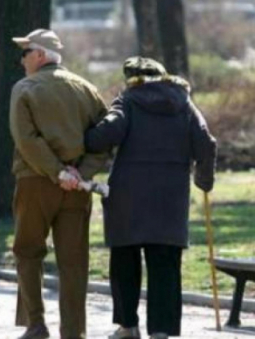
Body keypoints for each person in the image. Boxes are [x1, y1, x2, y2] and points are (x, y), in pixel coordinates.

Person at [84, 57, 217, 339]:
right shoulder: (184, 103)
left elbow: (108, 132)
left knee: (124, 262)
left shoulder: (128, 100)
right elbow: (206, 143)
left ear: (131, 77)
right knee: (166, 265)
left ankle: (128, 326)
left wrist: (87, 138)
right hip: (170, 199)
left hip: (127, 198)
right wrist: (204, 180)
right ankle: (161, 331)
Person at [9, 28, 108, 339]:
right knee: (74, 262)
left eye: (25, 53)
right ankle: (74, 333)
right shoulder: (88, 89)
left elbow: (26, 139)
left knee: (28, 251)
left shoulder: (25, 88)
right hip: (77, 189)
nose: (22, 60)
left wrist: (56, 172)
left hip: (35, 181)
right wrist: (82, 174)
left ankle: (35, 325)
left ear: (39, 55)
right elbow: (103, 139)